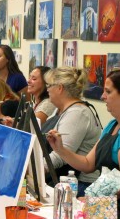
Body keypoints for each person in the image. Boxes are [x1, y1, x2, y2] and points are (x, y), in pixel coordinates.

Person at [46, 69, 120, 199]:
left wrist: (94, 199)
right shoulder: (111, 126)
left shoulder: (79, 112)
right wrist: (61, 150)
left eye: (108, 91)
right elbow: (87, 164)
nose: (103, 96)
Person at [42, 67, 102, 197]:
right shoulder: (60, 110)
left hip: (78, 185)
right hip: (62, 180)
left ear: (60, 88)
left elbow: (59, 156)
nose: (47, 89)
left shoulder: (77, 113)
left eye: (49, 85)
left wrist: (31, 170)